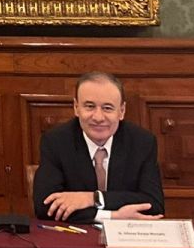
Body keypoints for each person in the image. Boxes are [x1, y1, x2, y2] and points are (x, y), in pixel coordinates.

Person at [33, 71, 164, 223]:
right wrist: (112, 216)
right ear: (76, 108)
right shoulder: (56, 141)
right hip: (77, 234)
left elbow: (153, 204)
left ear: (121, 111)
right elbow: (45, 207)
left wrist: (93, 198)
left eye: (107, 108)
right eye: (89, 106)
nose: (98, 117)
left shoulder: (142, 142)